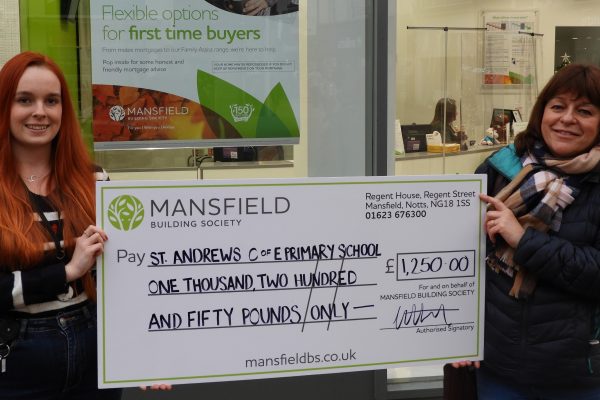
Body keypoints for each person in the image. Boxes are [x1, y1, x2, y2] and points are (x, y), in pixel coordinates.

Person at [0, 52, 170, 399]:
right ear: (4, 106)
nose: (40, 112)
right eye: (24, 100)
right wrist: (66, 272)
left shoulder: (95, 180)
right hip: (17, 358)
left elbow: (124, 278)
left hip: (95, 349)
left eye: (52, 100)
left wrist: (142, 354)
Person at [452, 63, 600, 399]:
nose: (567, 119)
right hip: (499, 370)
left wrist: (522, 240)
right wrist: (456, 333)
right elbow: (461, 257)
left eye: (585, 111)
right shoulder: (501, 167)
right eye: (558, 106)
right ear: (541, 111)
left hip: (578, 377)